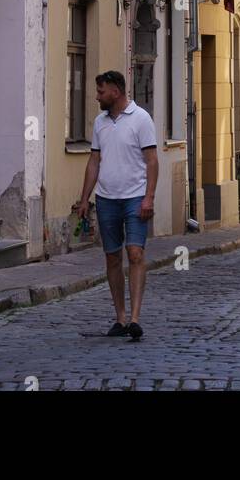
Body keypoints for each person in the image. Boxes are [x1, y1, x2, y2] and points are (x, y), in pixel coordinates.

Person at [75, 71, 158, 340]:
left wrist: (149, 197)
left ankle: (135, 318)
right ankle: (120, 318)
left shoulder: (141, 119)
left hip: (135, 196)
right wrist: (85, 198)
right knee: (112, 257)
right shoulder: (100, 122)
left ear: (116, 91)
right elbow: (94, 162)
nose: (97, 96)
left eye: (101, 92)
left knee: (135, 253)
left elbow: (152, 161)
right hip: (107, 197)